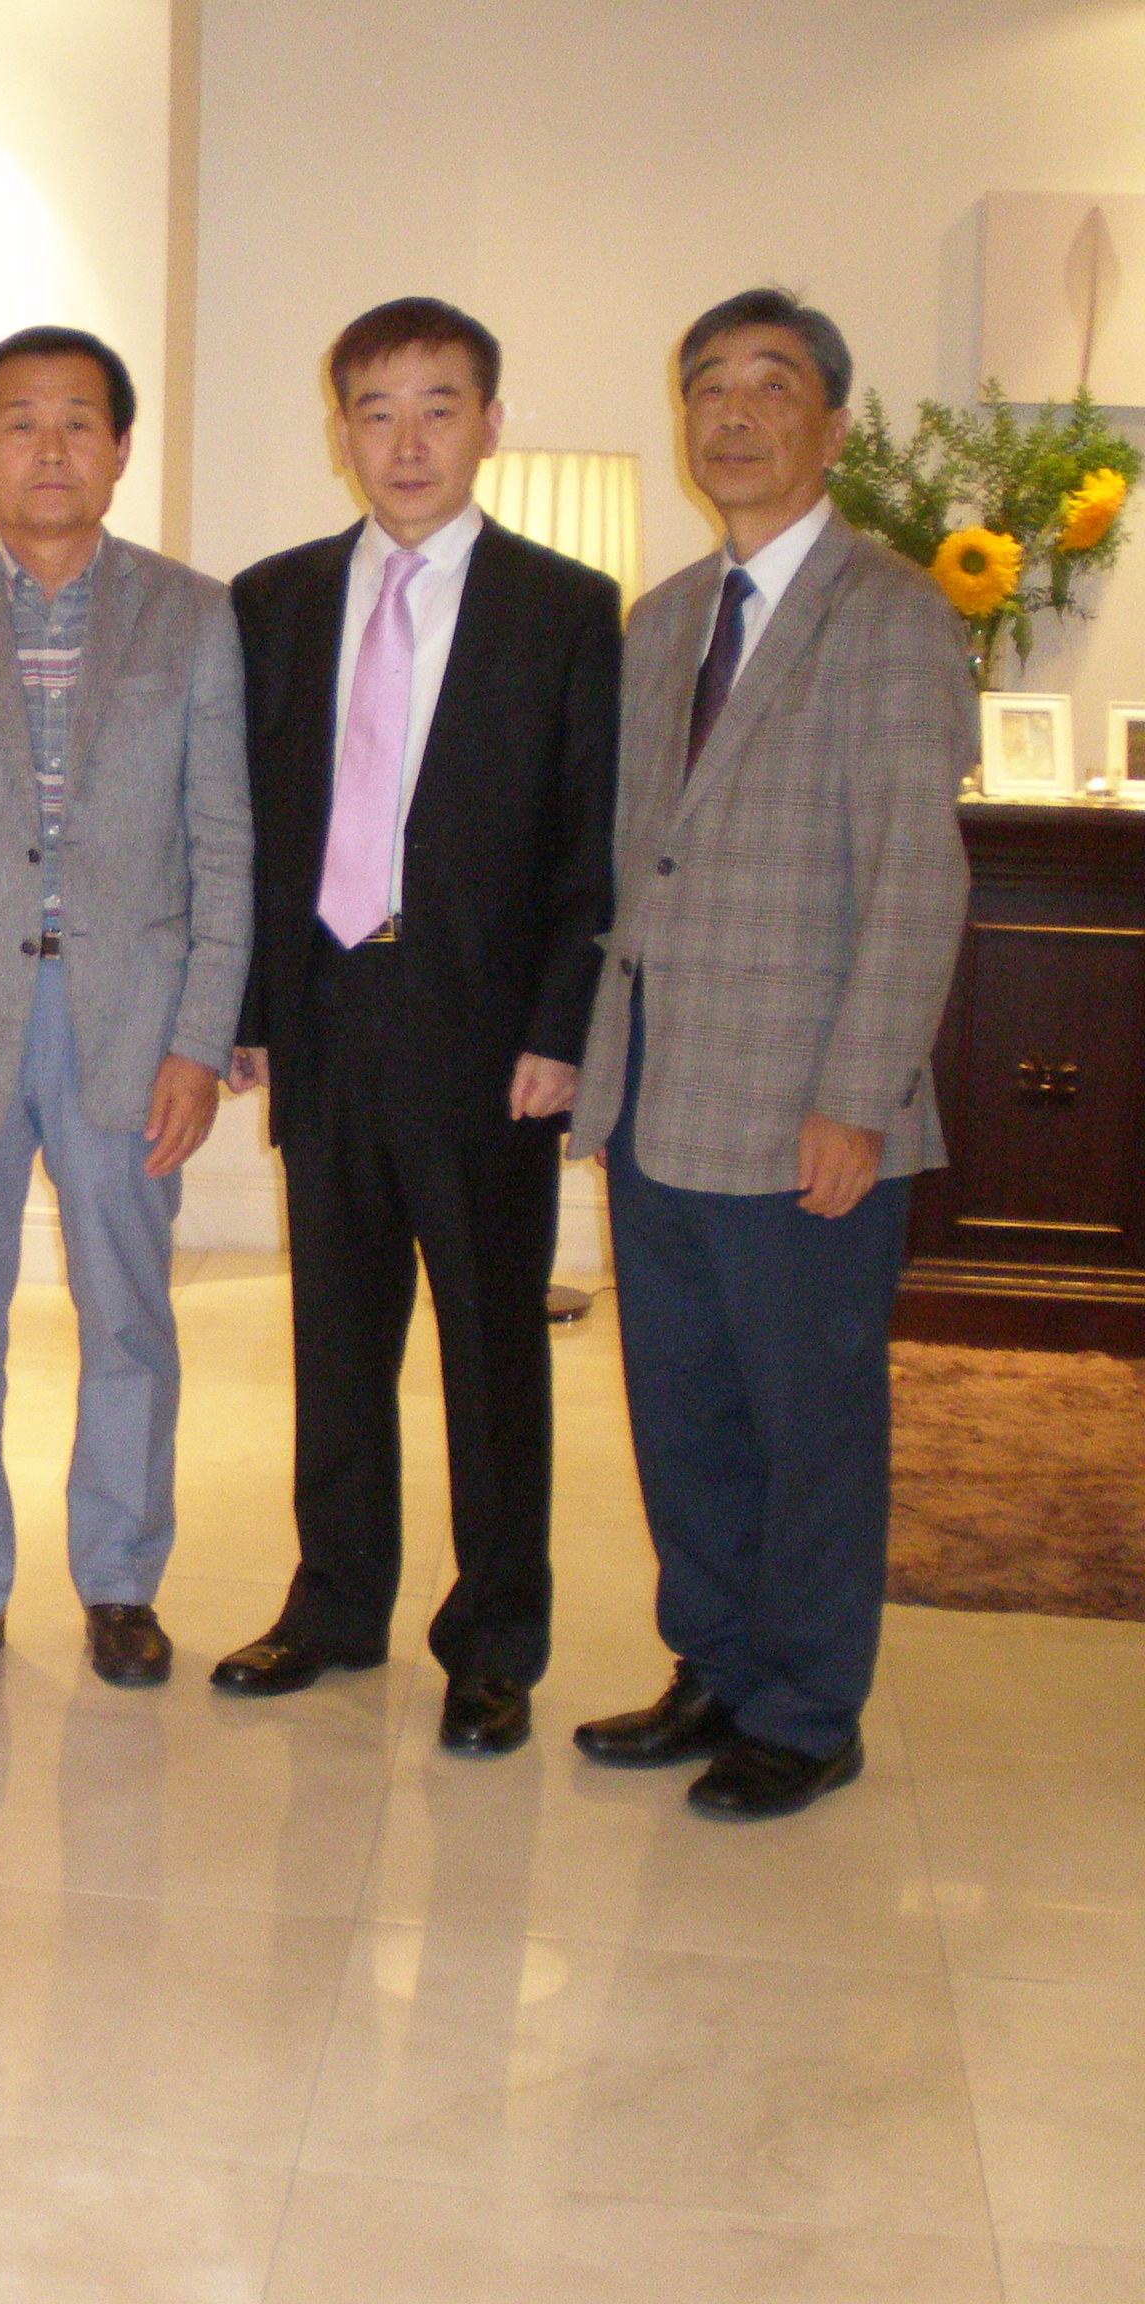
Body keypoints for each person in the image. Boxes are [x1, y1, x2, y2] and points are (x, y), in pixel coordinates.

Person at [567, 289, 971, 1820]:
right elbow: (634, 863)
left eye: (771, 386)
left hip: (808, 1108)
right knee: (683, 1415)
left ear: (835, 425)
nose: (733, 414)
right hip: (661, 1093)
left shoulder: (894, 615)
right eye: (709, 388)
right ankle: (715, 1668)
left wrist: (857, 1099)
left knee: (812, 1427)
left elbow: (918, 875)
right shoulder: (663, 620)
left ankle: (807, 1709)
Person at [217, 299, 618, 1757]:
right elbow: (247, 823)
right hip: (326, 1015)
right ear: (341, 433)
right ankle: (335, 1605)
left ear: (489, 424)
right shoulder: (272, 600)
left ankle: (496, 1637)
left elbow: (591, 844)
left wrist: (562, 1027)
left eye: (438, 407)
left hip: (487, 1037)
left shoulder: (566, 609)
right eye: (376, 411)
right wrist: (249, 1008)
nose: (406, 441)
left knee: (492, 1349)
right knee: (335, 1337)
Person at [0, 326, 252, 1695]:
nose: (52, 448)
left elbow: (225, 845)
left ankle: (121, 1581)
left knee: (129, 1317)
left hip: (130, 1021)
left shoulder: (194, 617)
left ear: (121, 447)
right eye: (20, 422)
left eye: (80, 420)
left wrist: (200, 1039)